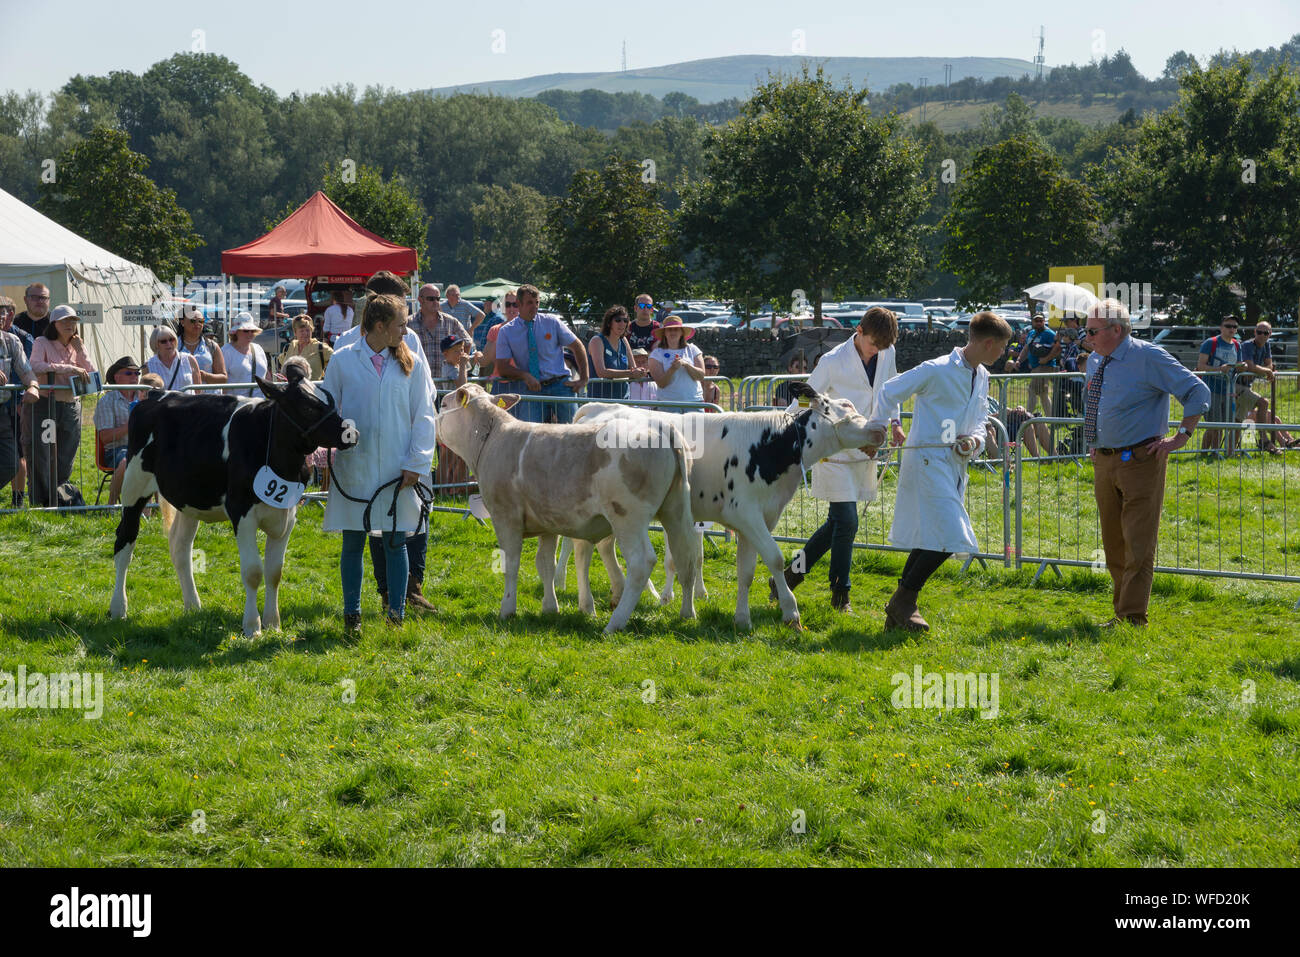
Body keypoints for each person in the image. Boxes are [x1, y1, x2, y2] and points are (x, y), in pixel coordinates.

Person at [865, 311, 1014, 632]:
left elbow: (979, 417)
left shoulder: (982, 374)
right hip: (928, 461)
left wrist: (973, 441)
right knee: (951, 534)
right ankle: (904, 600)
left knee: (935, 535)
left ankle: (900, 605)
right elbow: (890, 390)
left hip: (955, 466)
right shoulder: (936, 369)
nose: (1004, 353)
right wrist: (879, 430)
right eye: (1002, 347)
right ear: (989, 343)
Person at [1083, 298, 1211, 627]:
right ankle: (1121, 612)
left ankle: (1132, 616)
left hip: (1141, 459)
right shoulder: (1096, 360)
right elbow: (1097, 404)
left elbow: (1197, 391)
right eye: (1086, 331)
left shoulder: (1147, 356)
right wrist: (1094, 443)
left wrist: (1181, 435)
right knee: (1113, 542)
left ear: (1116, 329)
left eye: (1092, 331)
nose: (1087, 338)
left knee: (1138, 542)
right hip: (1105, 460)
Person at [773, 307, 904, 612]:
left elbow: (889, 392)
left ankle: (791, 575)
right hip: (833, 450)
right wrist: (782, 427)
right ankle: (840, 593)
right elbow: (806, 396)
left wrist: (894, 423)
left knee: (836, 525)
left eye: (882, 347)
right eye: (873, 344)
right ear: (858, 330)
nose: (877, 351)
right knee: (847, 520)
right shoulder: (832, 361)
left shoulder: (888, 352)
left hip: (867, 445)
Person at [322, 294, 437, 633]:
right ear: (380, 325)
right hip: (354, 465)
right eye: (401, 324)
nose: (406, 330)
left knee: (395, 540)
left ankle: (396, 617)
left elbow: (424, 417)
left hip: (396, 470)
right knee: (353, 541)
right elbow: (329, 410)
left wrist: (417, 462)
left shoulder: (412, 362)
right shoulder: (342, 360)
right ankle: (352, 616)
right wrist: (338, 434)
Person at [27, 305, 97, 507]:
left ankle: (60, 497)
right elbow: (35, 365)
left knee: (67, 454)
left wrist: (81, 350)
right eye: (65, 321)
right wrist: (69, 368)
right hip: (46, 405)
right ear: (54, 324)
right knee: (43, 453)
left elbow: (92, 375)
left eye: (73, 320)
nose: (70, 325)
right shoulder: (42, 342)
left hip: (70, 406)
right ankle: (41, 501)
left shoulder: (77, 345)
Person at [494, 284, 588, 423]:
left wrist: (584, 379)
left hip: (561, 385)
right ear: (519, 304)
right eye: (530, 303)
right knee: (529, 435)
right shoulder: (506, 331)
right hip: (532, 389)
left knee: (572, 432)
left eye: (537, 302)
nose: (535, 306)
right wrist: (525, 375)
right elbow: (502, 367)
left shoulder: (552, 322)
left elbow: (577, 346)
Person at [0, 305, 39, 504]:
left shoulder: (11, 341)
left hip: (3, 410)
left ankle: (17, 501)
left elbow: (26, 371)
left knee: (10, 464)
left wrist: (33, 386)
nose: (0, 317)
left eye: (2, 313)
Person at [94, 357, 142, 504]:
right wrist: (130, 426)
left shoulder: (144, 397)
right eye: (129, 373)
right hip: (115, 450)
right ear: (117, 377)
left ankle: (153, 508)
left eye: (137, 373)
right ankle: (111, 504)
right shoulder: (107, 400)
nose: (134, 377)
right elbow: (106, 438)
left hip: (141, 446)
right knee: (126, 461)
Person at [1005, 313, 1056, 452]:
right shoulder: (1031, 333)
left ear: (1044, 321)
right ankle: (1052, 419)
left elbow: (1057, 348)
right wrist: (1018, 360)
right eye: (1036, 321)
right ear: (1033, 322)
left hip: (1045, 367)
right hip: (1035, 367)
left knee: (1032, 390)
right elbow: (1026, 349)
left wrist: (1047, 359)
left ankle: (1027, 416)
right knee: (1043, 394)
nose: (1038, 323)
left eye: (1041, 320)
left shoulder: (1050, 334)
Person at [1234, 320, 1287, 453]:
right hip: (1235, 385)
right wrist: (1267, 371)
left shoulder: (1267, 345)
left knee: (1238, 421)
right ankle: (1264, 441)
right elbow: (1251, 366)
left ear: (1270, 334)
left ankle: (1230, 452)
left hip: (1246, 387)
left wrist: (1265, 370)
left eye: (1266, 333)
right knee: (1263, 403)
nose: (1262, 335)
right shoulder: (1247, 345)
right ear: (1254, 332)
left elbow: (1269, 364)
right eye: (1259, 332)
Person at [412, 284, 480, 385]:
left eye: (438, 298)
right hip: (419, 385)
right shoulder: (409, 323)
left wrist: (459, 365)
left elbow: (467, 342)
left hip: (446, 389)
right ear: (420, 300)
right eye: (431, 299)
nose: (436, 302)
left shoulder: (451, 321)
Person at [1196, 316, 1244, 456]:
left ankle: (1208, 452)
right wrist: (1219, 370)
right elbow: (1200, 366)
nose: (1231, 329)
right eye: (1228, 326)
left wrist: (1242, 367)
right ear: (1221, 327)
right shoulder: (1211, 343)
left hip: (1229, 390)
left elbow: (1238, 366)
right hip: (1211, 389)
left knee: (1222, 424)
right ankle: (1211, 452)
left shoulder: (1237, 345)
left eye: (1234, 327)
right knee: (1213, 425)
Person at [587, 305, 645, 400]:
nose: (622, 323)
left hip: (623, 401)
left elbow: (633, 368)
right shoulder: (597, 341)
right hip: (599, 403)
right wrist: (631, 373)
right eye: (618, 320)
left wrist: (641, 372)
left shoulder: (624, 341)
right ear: (609, 323)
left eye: (625, 320)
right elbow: (602, 372)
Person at [647, 317, 705, 410]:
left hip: (694, 402)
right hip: (668, 404)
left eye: (676, 329)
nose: (672, 332)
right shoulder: (656, 354)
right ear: (664, 333)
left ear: (681, 332)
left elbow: (701, 375)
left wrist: (686, 364)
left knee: (697, 426)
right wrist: (672, 369)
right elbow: (661, 383)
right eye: (669, 329)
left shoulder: (693, 349)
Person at [176, 305, 228, 384]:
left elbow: (223, 378)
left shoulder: (212, 346)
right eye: (193, 321)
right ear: (182, 322)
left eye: (201, 321)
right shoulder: (172, 345)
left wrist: (205, 376)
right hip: (182, 394)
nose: (197, 324)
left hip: (207, 395)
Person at [221, 313, 270, 397]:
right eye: (246, 330)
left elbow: (267, 376)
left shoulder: (259, 349)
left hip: (260, 404)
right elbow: (222, 383)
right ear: (236, 332)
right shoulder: (226, 351)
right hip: (237, 405)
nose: (250, 333)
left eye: (252, 330)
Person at [147, 325, 202, 392]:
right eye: (163, 341)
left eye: (171, 339)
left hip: (188, 402)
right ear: (156, 344)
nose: (169, 343)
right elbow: (145, 394)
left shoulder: (190, 360)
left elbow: (198, 391)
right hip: (163, 402)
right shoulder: (149, 365)